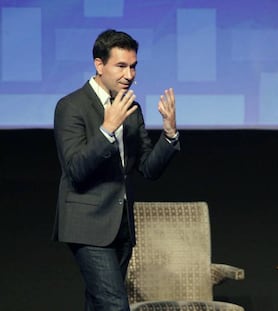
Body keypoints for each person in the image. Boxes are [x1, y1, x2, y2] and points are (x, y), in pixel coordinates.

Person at [52, 29, 180, 311]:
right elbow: (76, 169)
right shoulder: (71, 106)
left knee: (99, 304)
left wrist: (169, 136)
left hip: (121, 225)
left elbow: (148, 168)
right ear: (99, 65)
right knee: (114, 304)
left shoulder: (130, 108)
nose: (129, 74)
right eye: (121, 66)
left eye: (133, 66)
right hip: (86, 225)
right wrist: (107, 130)